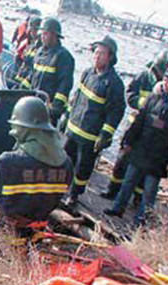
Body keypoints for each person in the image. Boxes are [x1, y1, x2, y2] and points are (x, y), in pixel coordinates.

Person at [0, 96, 73, 279]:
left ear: (26, 129)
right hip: (33, 234)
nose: (12, 132)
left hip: (1, 232)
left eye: (16, 127)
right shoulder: (66, 164)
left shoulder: (10, 162)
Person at [104, 66, 168, 226]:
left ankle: (140, 221)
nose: (165, 83)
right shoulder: (154, 98)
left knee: (149, 193)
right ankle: (117, 208)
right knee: (128, 182)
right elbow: (139, 121)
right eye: (165, 80)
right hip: (141, 150)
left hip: (159, 157)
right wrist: (128, 141)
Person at [63, 36, 125, 206]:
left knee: (83, 168)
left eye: (102, 53)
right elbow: (76, 98)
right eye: (96, 52)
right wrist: (66, 117)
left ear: (110, 57)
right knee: (66, 160)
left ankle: (74, 195)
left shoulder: (114, 83)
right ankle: (60, 188)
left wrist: (105, 134)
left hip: (90, 136)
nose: (97, 56)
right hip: (73, 129)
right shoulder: (87, 73)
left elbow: (116, 112)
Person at [22, 17, 75, 126]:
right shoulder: (40, 52)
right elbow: (32, 75)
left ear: (55, 35)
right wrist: (21, 90)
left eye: (45, 33)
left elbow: (65, 85)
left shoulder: (63, 56)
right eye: (42, 33)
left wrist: (55, 107)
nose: (42, 36)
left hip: (48, 109)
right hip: (32, 104)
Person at [13, 17, 42, 89]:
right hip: (20, 79)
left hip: (29, 84)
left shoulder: (41, 48)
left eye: (34, 29)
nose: (31, 32)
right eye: (31, 29)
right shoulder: (29, 44)